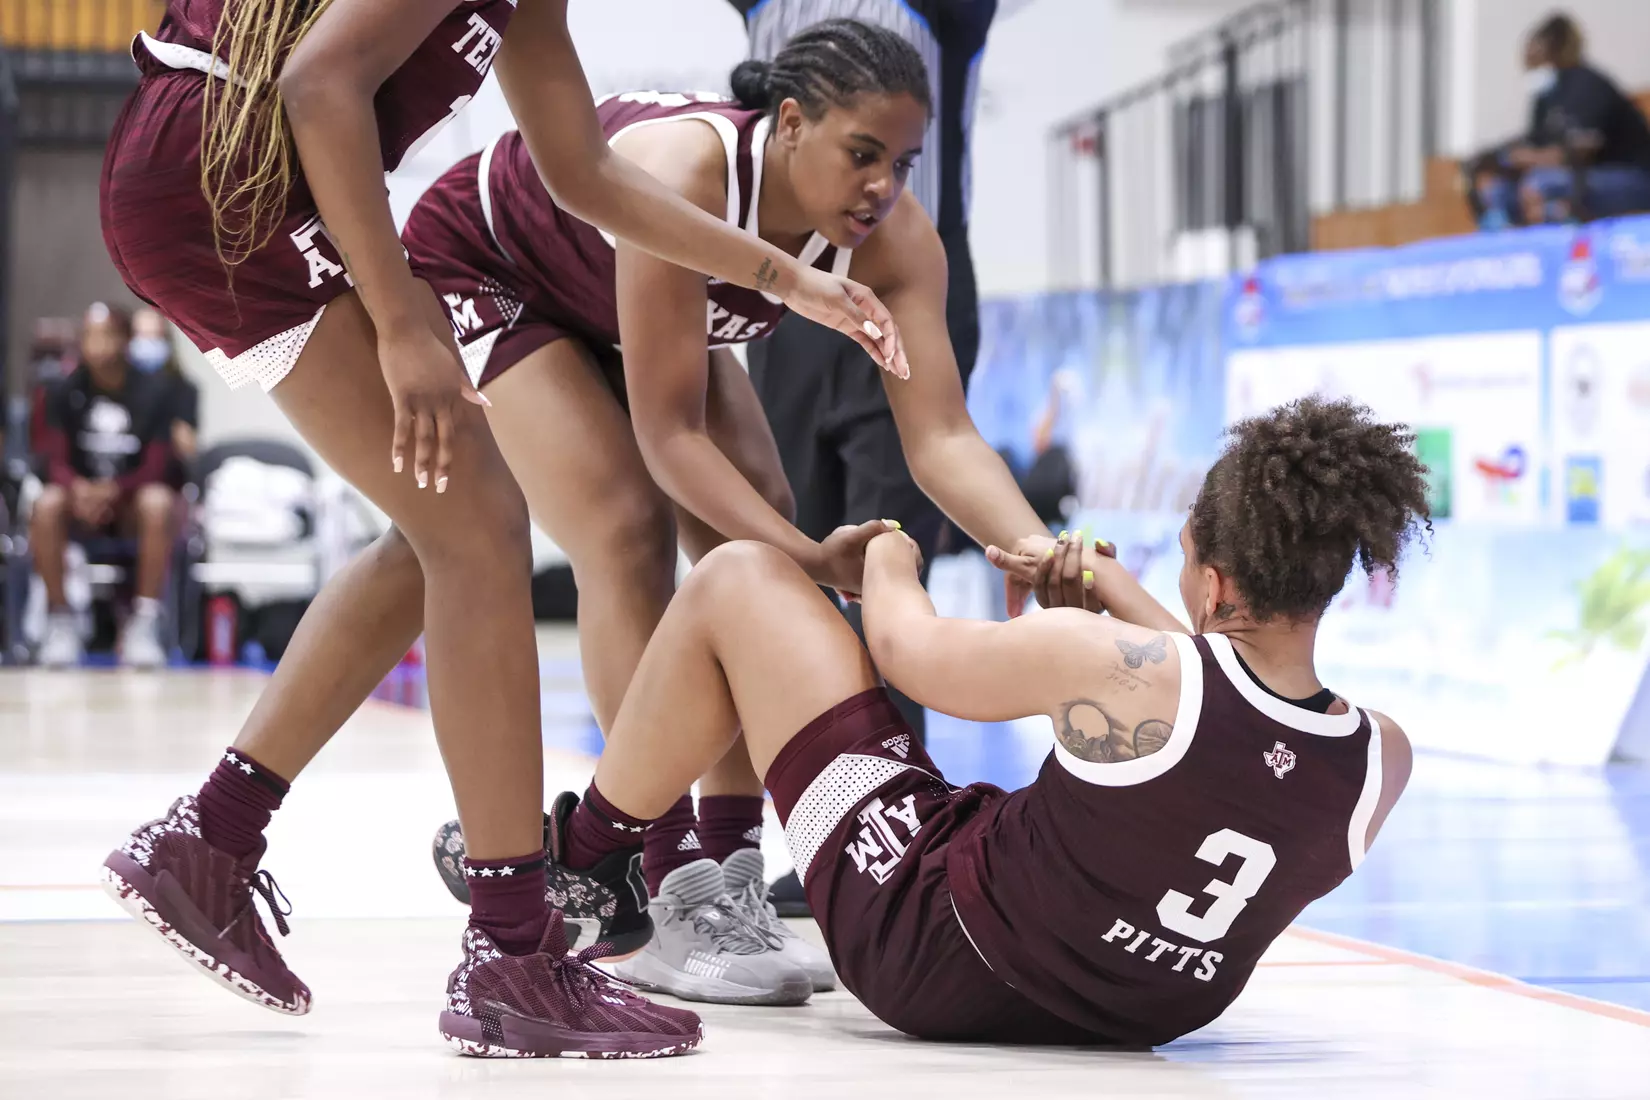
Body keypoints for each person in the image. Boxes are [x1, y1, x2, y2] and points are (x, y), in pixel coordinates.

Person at [97, 0, 904, 1059]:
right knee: (481, 526)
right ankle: (514, 946)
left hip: (217, 170)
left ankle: (211, 839)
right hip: (223, 170)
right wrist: (400, 323)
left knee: (431, 535)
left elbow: (586, 174)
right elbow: (319, 84)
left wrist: (779, 274)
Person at [397, 18, 1062, 1006]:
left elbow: (944, 437)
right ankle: (666, 881)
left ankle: (733, 876)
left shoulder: (896, 237)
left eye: (905, 160)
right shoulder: (688, 172)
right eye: (863, 154)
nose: (883, 185)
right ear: (789, 124)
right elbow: (670, 439)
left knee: (762, 540)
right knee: (628, 534)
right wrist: (806, 555)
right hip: (492, 266)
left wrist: (1036, 548)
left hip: (620, 291)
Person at [537, 396, 1422, 1046]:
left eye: (1186, 560)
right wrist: (1115, 592)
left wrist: (887, 553)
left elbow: (903, 648)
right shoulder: (1383, 758)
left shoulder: (1110, 663)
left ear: (1215, 584)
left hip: (931, 955)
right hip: (1144, 1014)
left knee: (740, 578)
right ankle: (653, 867)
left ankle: (585, 865)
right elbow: (1237, 711)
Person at [31, 303, 180, 669]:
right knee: (45, 504)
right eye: (90, 336)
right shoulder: (63, 390)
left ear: (126, 339)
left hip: (129, 502)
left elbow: (159, 464)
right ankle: (61, 619)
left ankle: (143, 623)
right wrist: (80, 490)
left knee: (159, 503)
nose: (97, 345)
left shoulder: (155, 391)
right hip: (79, 500)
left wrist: (114, 490)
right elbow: (53, 459)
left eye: (106, 335)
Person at [1471, 13, 1650, 228]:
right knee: (1500, 191)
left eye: (1537, 62)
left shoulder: (1588, 85)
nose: (1532, 70)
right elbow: (1535, 140)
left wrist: (1524, 158)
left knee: (1542, 184)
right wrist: (1497, 159)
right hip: (1579, 177)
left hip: (1630, 178)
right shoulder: (1546, 98)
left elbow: (1579, 152)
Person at [128, 306, 201, 488]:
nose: (147, 344)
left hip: (161, 477)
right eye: (141, 336)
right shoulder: (118, 387)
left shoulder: (181, 387)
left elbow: (188, 446)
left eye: (154, 337)